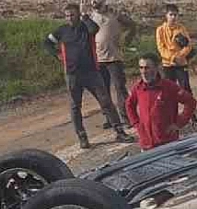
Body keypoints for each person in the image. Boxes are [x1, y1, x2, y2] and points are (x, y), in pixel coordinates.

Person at [44, 3, 133, 149]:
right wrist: (57, 54)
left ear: (78, 14)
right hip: (72, 75)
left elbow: (95, 28)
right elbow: (47, 43)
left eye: (72, 15)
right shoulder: (62, 30)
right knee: (75, 107)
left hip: (91, 72)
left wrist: (85, 16)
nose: (69, 18)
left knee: (106, 102)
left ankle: (119, 131)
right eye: (67, 16)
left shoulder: (86, 27)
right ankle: (82, 137)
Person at [125, 53, 196, 151]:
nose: (143, 72)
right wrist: (137, 124)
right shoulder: (138, 88)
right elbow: (129, 105)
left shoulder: (169, 87)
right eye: (141, 68)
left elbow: (190, 102)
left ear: (157, 68)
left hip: (168, 144)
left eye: (147, 68)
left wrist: (179, 123)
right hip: (146, 145)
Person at [85, 0, 137, 129]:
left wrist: (127, 39)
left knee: (120, 88)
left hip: (114, 58)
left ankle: (127, 117)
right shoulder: (90, 16)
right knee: (103, 91)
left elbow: (131, 25)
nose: (93, 2)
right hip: (98, 59)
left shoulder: (114, 13)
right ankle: (111, 119)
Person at [155, 3, 193, 94]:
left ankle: (189, 106)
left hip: (181, 63)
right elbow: (161, 48)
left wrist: (180, 56)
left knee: (185, 88)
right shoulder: (160, 30)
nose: (173, 17)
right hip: (167, 64)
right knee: (168, 90)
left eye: (175, 15)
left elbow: (188, 45)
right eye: (171, 14)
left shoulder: (181, 28)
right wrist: (173, 58)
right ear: (166, 15)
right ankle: (171, 108)